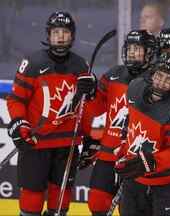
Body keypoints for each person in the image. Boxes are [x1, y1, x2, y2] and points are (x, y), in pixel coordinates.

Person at [6, 11, 98, 216]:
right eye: (56, 31)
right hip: (36, 142)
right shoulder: (32, 63)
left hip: (67, 143)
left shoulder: (81, 65)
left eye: (65, 32)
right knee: (32, 194)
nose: (60, 36)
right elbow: (16, 100)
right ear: (49, 35)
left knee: (61, 196)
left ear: (72, 36)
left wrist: (92, 92)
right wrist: (20, 124)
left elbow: (87, 106)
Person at [78, 29, 157, 216]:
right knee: (97, 203)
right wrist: (90, 93)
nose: (132, 53)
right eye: (130, 49)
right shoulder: (113, 75)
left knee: (131, 209)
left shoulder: (156, 80)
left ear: (149, 52)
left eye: (137, 49)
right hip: (107, 154)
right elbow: (97, 108)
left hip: (135, 157)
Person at [114, 53, 170, 216]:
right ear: (152, 73)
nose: (161, 84)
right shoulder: (135, 88)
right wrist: (125, 147)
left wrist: (153, 161)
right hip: (136, 177)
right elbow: (130, 123)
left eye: (169, 79)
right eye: (159, 76)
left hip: (169, 184)